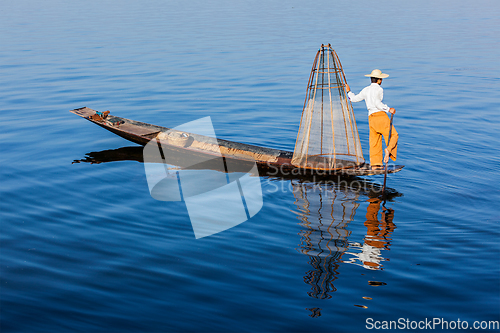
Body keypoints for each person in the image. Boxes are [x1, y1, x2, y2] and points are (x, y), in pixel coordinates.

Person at [345, 69, 398, 170]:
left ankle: (375, 165)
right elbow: (377, 103)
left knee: (375, 142)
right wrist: (388, 109)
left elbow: (353, 99)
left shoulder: (366, 89)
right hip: (380, 116)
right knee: (393, 135)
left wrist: (349, 91)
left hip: (371, 118)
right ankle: (388, 150)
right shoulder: (379, 89)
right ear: (379, 80)